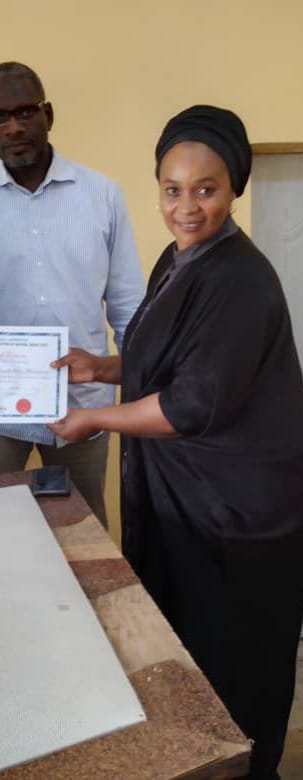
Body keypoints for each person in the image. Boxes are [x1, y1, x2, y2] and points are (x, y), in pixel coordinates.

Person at [50, 105, 303, 779]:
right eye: (173, 189)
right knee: (187, 636)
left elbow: (190, 404)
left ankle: (243, 767)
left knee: (234, 649)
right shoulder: (180, 259)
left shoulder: (239, 279)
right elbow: (167, 362)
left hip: (244, 502)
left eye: (206, 189)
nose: (187, 207)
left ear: (234, 189)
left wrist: (92, 419)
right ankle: (197, 754)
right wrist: (100, 367)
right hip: (199, 485)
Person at [0, 62, 145, 527]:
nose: (13, 128)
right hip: (1, 408)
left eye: (25, 112)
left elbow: (128, 307)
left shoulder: (102, 196)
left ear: (48, 114)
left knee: (86, 531)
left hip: (85, 407)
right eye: (1, 117)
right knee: (5, 532)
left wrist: (143, 401)